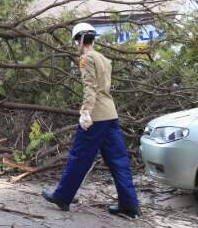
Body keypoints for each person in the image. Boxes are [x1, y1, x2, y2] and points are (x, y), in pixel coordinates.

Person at [42, 23, 140, 218]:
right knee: (119, 161)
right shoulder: (104, 58)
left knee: (79, 157)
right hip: (110, 114)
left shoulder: (86, 58)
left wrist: (86, 112)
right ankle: (130, 205)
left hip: (95, 117)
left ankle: (62, 196)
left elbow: (90, 87)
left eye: (76, 41)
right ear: (93, 39)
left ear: (79, 40)